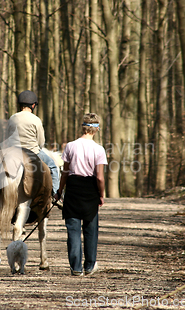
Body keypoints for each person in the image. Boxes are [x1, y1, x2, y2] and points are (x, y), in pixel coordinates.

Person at [54, 113, 107, 276]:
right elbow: (99, 177)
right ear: (96, 129)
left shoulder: (70, 146)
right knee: (91, 229)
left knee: (73, 229)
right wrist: (101, 194)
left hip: (73, 188)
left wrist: (59, 191)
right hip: (90, 188)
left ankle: (76, 267)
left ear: (83, 127)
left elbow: (65, 172)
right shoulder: (99, 149)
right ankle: (90, 265)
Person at [7, 90, 59, 194]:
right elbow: (41, 142)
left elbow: (8, 136)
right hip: (32, 152)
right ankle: (55, 194)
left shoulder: (12, 118)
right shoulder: (36, 120)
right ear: (33, 105)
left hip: (13, 152)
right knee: (53, 166)